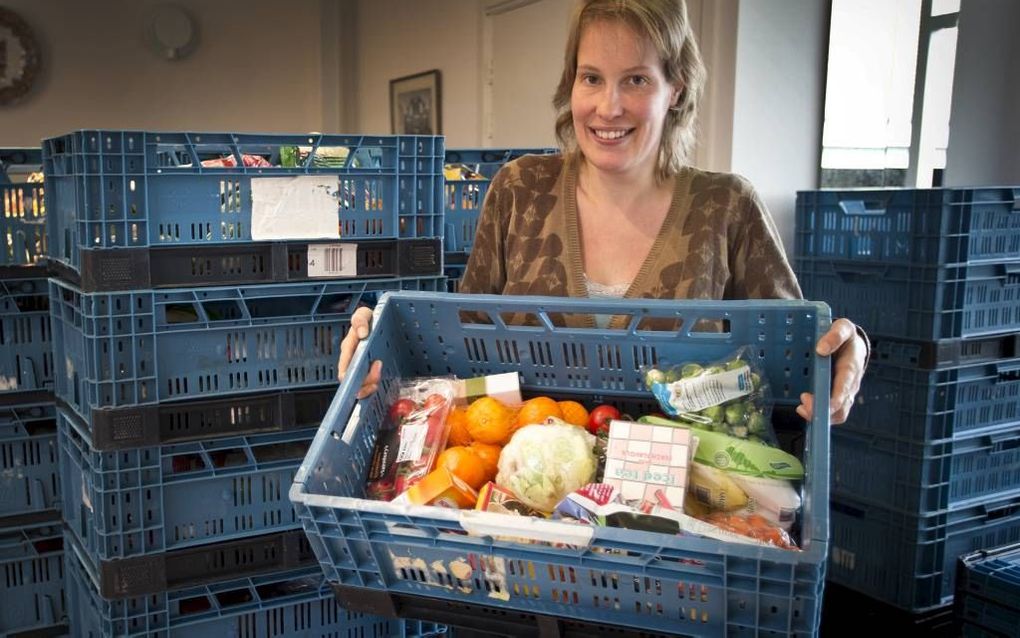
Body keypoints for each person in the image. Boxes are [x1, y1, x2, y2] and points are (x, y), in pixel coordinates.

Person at [339, 0, 868, 425]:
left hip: (686, 522)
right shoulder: (520, 191)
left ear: (675, 89)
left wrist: (850, 349)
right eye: (591, 78)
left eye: (636, 80)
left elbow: (796, 355)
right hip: (524, 513)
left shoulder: (726, 208)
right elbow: (456, 355)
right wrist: (382, 347)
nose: (608, 107)